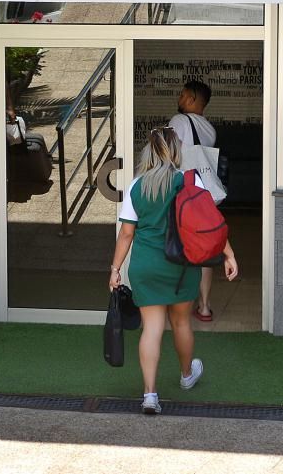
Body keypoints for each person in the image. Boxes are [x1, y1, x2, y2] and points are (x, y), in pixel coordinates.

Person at [108, 127, 238, 415]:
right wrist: (228, 254)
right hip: (181, 266)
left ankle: (150, 395)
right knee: (181, 323)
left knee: (151, 329)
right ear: (176, 152)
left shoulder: (137, 186)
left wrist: (115, 269)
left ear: (149, 153)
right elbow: (209, 225)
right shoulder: (190, 182)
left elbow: (126, 235)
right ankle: (186, 375)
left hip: (146, 267)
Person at [168, 80, 218, 322]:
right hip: (205, 197)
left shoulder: (178, 122)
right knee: (205, 250)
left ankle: (179, 304)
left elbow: (169, 156)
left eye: (182, 95)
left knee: (178, 247)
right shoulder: (209, 129)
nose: (179, 98)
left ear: (191, 99)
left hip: (183, 195)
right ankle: (205, 306)